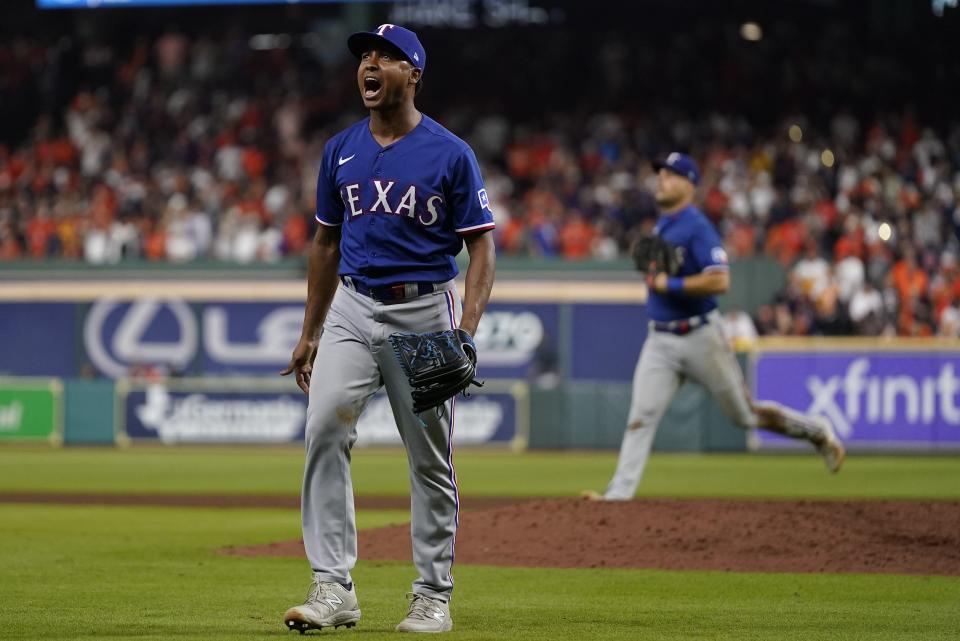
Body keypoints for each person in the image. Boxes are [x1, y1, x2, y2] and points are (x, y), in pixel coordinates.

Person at [281, 24, 496, 633]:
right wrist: (311, 330)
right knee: (323, 428)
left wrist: (467, 330)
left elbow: (482, 247)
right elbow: (325, 244)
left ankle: (432, 594)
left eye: (386, 58)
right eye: (365, 58)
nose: (370, 65)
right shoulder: (340, 148)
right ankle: (332, 589)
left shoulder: (451, 152)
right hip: (351, 305)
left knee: (429, 459)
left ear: (414, 74)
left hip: (424, 311)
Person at [585, 153, 844, 501]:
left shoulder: (697, 227)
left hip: (700, 336)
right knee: (640, 417)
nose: (662, 179)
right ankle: (617, 497)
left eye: (672, 175)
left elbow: (720, 280)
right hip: (660, 339)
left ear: (690, 184)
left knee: (745, 415)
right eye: (660, 173)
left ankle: (817, 430)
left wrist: (668, 285)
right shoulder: (663, 225)